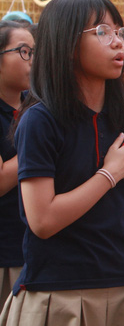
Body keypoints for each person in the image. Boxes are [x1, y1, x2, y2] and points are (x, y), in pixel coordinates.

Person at [1, 0, 124, 325]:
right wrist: (108, 174)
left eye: (119, 32)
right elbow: (42, 221)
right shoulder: (41, 120)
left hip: (121, 286)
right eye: (101, 32)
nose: (117, 44)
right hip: (57, 291)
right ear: (67, 44)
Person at [0, 21, 33, 305]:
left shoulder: (36, 109)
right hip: (5, 252)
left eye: (36, 52)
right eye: (24, 52)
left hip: (35, 253)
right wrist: (38, 145)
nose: (32, 60)